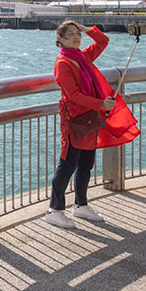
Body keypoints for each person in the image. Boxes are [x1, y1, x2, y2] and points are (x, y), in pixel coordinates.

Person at [45, 20, 117, 229]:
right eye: (69, 35)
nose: (76, 38)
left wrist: (88, 29)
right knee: (67, 166)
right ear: (60, 40)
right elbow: (73, 95)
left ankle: (81, 205)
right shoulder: (63, 63)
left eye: (77, 34)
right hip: (74, 121)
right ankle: (54, 210)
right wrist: (101, 103)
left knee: (86, 165)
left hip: (90, 118)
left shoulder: (83, 57)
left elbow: (103, 41)